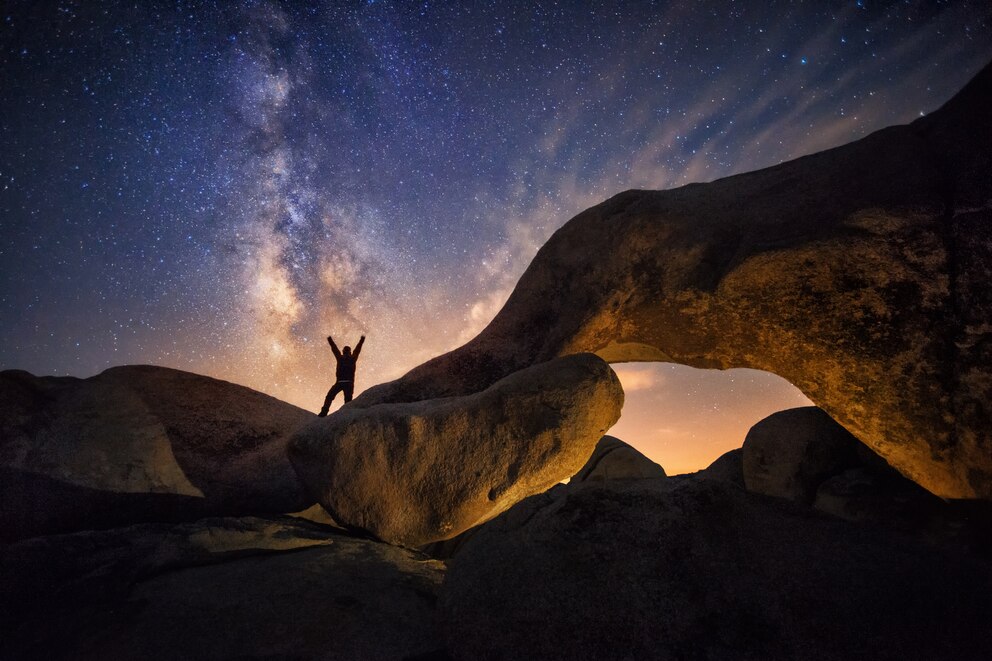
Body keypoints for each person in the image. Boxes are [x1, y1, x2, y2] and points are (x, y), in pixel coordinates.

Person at [317, 334, 365, 416]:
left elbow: (334, 348)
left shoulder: (340, 358)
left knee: (330, 396)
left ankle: (324, 412)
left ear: (343, 351)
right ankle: (346, 414)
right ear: (350, 352)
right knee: (347, 401)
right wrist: (361, 339)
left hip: (340, 382)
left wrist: (329, 339)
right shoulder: (352, 358)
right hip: (348, 383)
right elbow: (358, 349)